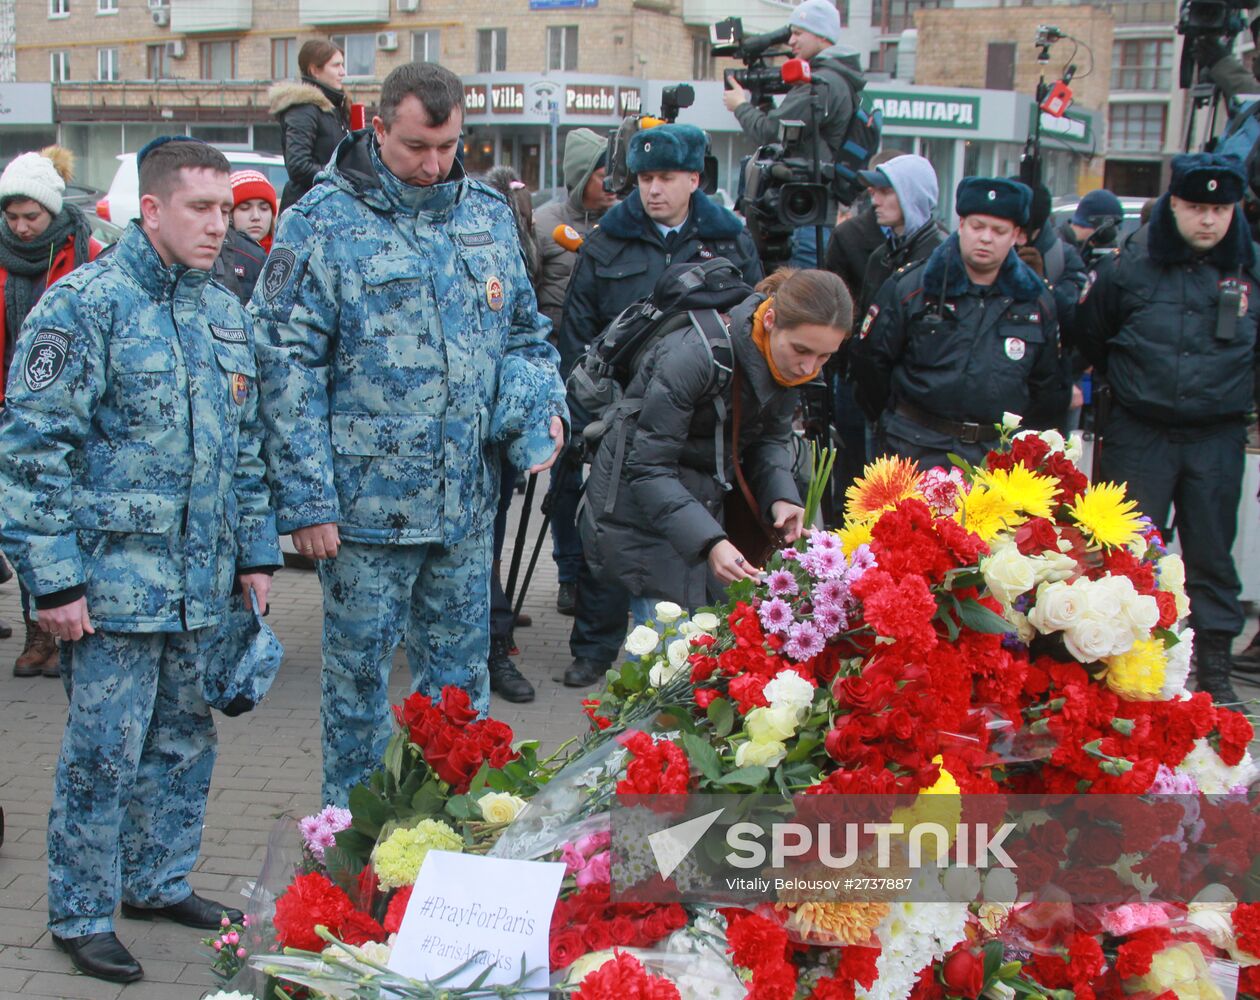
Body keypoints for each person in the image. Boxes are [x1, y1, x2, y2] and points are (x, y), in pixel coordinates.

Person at [0, 136, 279, 983]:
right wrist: (54, 582)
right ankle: (81, 913)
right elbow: (31, 453)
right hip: (111, 588)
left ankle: (157, 882)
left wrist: (255, 555)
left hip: (200, 583)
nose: (218, 225)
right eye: (201, 208)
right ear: (150, 210)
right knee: (103, 756)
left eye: (225, 209)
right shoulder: (84, 306)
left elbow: (246, 448)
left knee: (184, 741)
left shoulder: (221, 309)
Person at [253, 63, 566, 806]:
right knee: (358, 692)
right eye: (417, 147)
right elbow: (283, 363)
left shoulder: (486, 214)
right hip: (363, 517)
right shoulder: (320, 220)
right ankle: (353, 840)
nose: (433, 164)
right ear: (380, 127)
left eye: (448, 146)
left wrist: (538, 407)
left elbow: (527, 335)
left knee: (460, 692)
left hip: (465, 507)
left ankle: (452, 830)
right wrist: (307, 501)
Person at [557, 122, 762, 689]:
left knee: (687, 533)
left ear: (694, 178)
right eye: (645, 177)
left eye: (666, 177)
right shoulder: (608, 239)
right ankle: (594, 647)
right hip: (619, 417)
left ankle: (690, 653)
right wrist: (586, 416)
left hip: (700, 421)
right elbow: (578, 331)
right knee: (607, 533)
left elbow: (753, 325)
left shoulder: (730, 241)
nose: (653, 189)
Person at [1075, 153, 1260, 704]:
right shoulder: (1128, 268)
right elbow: (1092, 336)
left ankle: (1215, 668)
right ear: (1174, 204)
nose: (1208, 219)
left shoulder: (1250, 271)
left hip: (1216, 435)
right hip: (1141, 431)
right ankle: (1117, 661)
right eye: (1197, 207)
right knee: (1126, 553)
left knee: (1211, 555)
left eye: (1220, 209)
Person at [581, 268, 849, 610]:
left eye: (824, 357)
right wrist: (710, 542)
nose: (808, 368)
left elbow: (770, 439)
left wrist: (781, 497)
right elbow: (649, 467)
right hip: (641, 513)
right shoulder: (692, 355)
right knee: (667, 636)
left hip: (701, 505)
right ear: (770, 320)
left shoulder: (786, 362)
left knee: (703, 632)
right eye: (802, 350)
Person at [850, 176, 1068, 469]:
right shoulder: (913, 288)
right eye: (978, 226)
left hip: (996, 457)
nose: (986, 238)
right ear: (961, 224)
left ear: (1016, 235)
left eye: (999, 230)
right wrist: (896, 421)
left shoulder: (1035, 300)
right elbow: (870, 364)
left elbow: (1047, 387)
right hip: (915, 447)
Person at [0, 146, 103, 676]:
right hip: (8, 401)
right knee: (24, 518)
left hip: (69, 405)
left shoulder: (86, 252)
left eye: (30, 216)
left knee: (63, 516)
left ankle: (70, 625)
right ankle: (37, 630)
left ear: (53, 211)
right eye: (12, 216)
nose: (20, 227)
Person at [533, 127, 616, 616]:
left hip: (614, 372)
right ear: (581, 176)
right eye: (603, 175)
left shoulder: (624, 226)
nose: (612, 184)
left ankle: (603, 576)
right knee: (563, 479)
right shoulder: (546, 225)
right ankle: (568, 573)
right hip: (560, 371)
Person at [722, 0, 866, 267]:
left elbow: (770, 131)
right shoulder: (834, 78)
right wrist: (763, 102)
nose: (791, 41)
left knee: (798, 290)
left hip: (803, 216)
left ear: (822, 36)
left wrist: (740, 106)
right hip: (804, 212)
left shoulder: (822, 82)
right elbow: (788, 133)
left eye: (798, 33)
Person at [852, 153, 945, 318]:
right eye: (874, 192)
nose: (875, 201)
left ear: (912, 196)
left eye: (885, 191)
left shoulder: (942, 257)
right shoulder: (880, 257)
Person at [270, 39, 350, 213]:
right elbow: (298, 165)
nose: (343, 72)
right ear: (315, 70)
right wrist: (343, 177)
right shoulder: (303, 108)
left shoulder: (334, 107)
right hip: (307, 209)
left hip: (328, 204)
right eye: (336, 65)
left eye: (342, 65)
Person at [230, 169, 277, 252]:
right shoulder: (216, 256)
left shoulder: (289, 253)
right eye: (245, 208)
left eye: (264, 208)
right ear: (229, 214)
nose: (256, 216)